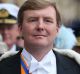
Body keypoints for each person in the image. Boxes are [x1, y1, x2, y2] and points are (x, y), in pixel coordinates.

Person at [0, 0, 80, 74]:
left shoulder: (75, 67)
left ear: (57, 29)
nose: (40, 26)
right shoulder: (2, 67)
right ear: (20, 28)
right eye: (33, 20)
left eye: (47, 20)